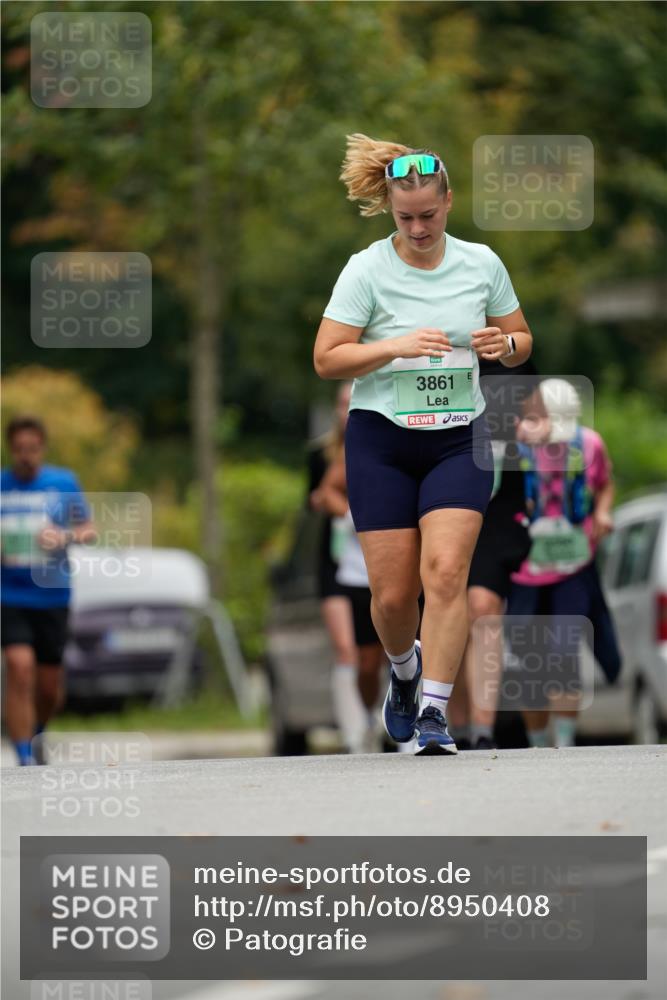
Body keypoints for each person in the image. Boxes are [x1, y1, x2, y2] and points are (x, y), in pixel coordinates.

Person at [314, 134, 532, 755]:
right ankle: (405, 671)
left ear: (448, 203)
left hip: (458, 438)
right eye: (405, 217)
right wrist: (394, 346)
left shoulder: (481, 263)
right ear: (389, 209)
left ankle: (435, 711)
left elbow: (521, 339)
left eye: (428, 216)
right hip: (381, 439)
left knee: (446, 572)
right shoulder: (365, 270)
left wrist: (503, 346)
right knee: (391, 596)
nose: (417, 227)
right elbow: (327, 359)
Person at [506, 379, 621, 748]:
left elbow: (605, 483)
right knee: (530, 661)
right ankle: (539, 743)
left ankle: (566, 745)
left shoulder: (589, 444)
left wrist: (602, 514)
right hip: (524, 570)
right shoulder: (513, 449)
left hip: (573, 564)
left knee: (564, 651)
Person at [1, 416, 96, 765]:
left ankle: (38, 730)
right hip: (9, 595)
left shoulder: (63, 482)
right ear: (11, 449)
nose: (26, 455)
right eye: (19, 449)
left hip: (52, 594)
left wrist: (64, 537)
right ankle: (23, 756)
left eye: (33, 448)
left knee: (47, 687)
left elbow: (88, 530)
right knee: (18, 666)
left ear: (42, 448)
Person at [308, 383, 369, 753]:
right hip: (335, 558)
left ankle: (378, 715)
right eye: (342, 404)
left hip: (373, 558)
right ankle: (353, 734)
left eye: (353, 403)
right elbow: (312, 499)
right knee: (345, 649)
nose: (347, 410)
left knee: (373, 655)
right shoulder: (320, 454)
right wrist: (344, 512)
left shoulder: (381, 443)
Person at [317, 446, 389, 752]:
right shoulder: (359, 447)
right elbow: (326, 491)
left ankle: (412, 723)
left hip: (403, 567)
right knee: (368, 663)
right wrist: (350, 513)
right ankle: (368, 719)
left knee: (413, 649)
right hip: (359, 573)